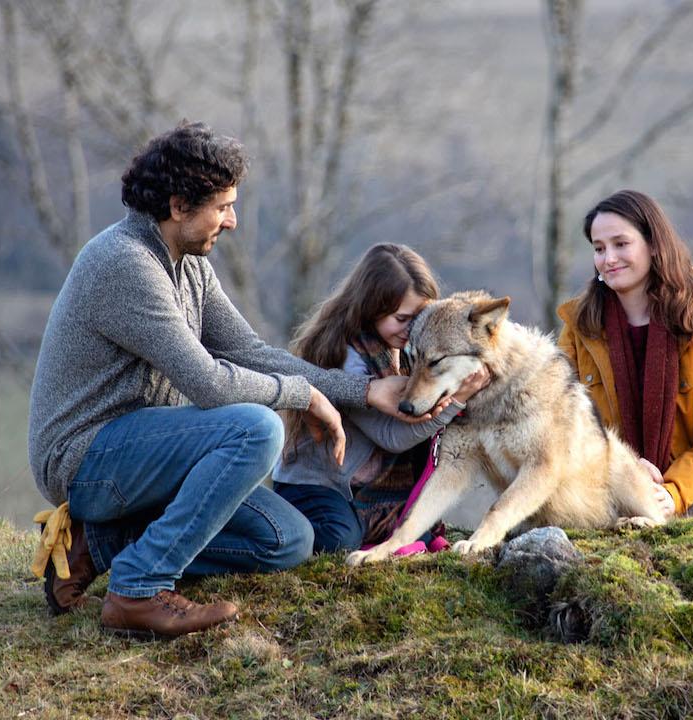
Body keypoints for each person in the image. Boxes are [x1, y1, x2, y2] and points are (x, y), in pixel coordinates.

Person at [27, 122, 437, 639]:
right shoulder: (124, 264)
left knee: (289, 539)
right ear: (179, 206)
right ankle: (139, 587)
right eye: (222, 207)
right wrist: (304, 394)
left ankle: (101, 544)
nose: (233, 220)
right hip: (87, 459)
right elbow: (211, 386)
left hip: (155, 452)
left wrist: (360, 391)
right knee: (256, 429)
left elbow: (248, 352)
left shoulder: (189, 265)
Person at [556, 190, 693, 520]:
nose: (608, 258)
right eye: (599, 248)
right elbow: (559, 421)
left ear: (653, 244)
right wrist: (626, 471)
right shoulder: (580, 327)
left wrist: (672, 493)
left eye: (621, 244)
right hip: (612, 483)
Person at [272, 244, 489, 553]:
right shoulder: (348, 358)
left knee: (417, 532)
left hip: (368, 485)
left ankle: (386, 524)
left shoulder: (408, 348)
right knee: (340, 540)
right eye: (402, 318)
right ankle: (276, 523)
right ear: (372, 308)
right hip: (318, 485)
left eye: (419, 317)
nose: (411, 328)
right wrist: (456, 401)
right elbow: (391, 436)